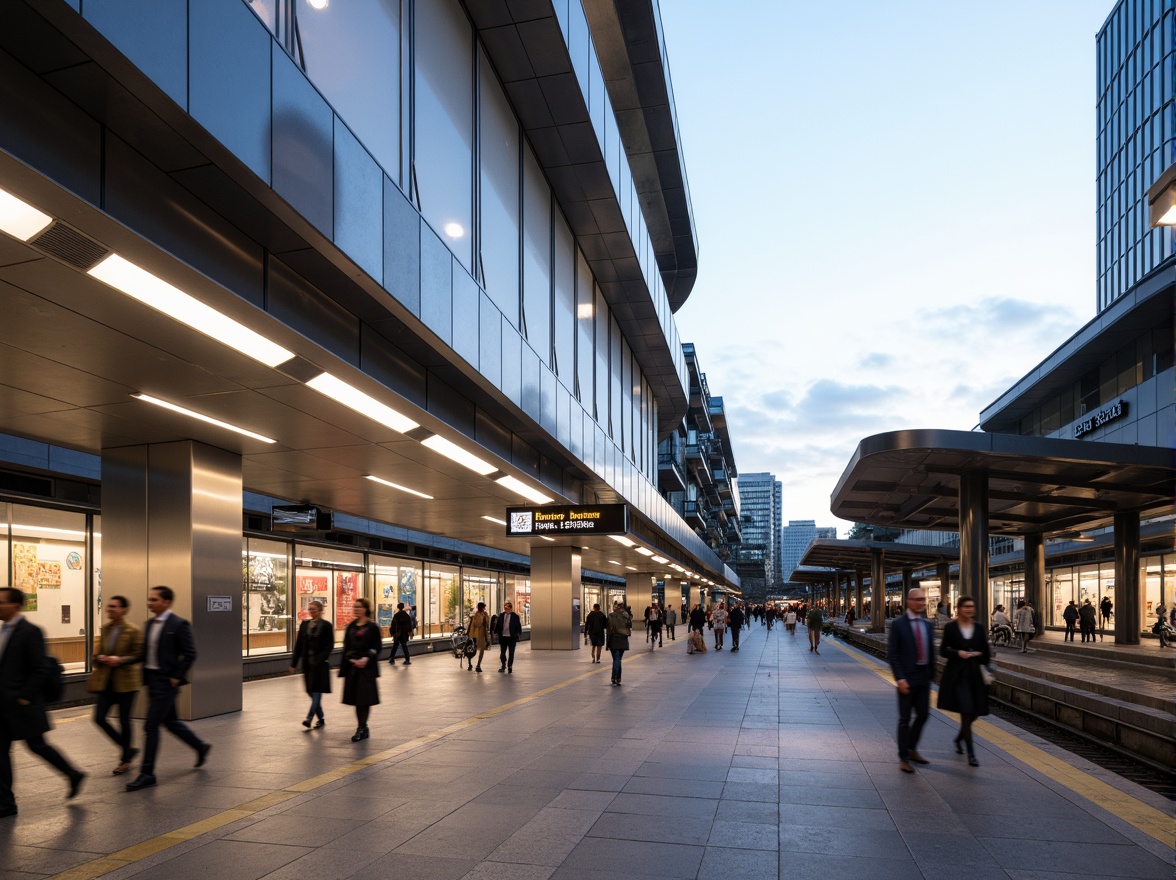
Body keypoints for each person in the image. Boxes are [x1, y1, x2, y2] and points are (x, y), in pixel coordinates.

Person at [0, 587, 85, 817]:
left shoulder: (30, 632)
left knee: (37, 746)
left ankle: (72, 774)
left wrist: (26, 695)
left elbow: (41, 668)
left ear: (15, 605)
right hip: (5, 705)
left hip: (24, 705)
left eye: (1, 602)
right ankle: (6, 802)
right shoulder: (4, 631)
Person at [125, 585, 210, 791]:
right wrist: (120, 660)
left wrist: (175, 677)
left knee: (150, 725)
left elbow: (190, 653)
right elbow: (143, 654)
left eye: (154, 599)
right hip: (152, 680)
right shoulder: (149, 624)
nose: (150, 603)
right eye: (150, 599)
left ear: (166, 602)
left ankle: (147, 773)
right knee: (170, 722)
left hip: (166, 682)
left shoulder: (178, 624)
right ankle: (200, 746)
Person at [88, 594, 143, 774]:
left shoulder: (132, 630)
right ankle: (128, 749)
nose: (109, 609)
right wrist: (99, 658)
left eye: (114, 607)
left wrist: (119, 660)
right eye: (109, 606)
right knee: (99, 718)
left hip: (126, 683)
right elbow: (97, 654)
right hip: (107, 682)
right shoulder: (105, 629)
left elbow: (138, 655)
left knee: (124, 721)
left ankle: (125, 760)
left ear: (124, 610)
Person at [936, 596, 990, 767]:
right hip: (957, 676)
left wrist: (978, 654)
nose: (969, 609)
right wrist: (958, 653)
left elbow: (987, 653)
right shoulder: (951, 627)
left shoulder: (979, 628)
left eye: (971, 606)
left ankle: (959, 738)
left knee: (974, 713)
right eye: (966, 606)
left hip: (975, 675)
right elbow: (943, 650)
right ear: (959, 609)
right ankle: (971, 754)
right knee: (966, 711)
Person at [887, 588, 934, 774]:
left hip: (923, 677)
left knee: (923, 714)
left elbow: (931, 651)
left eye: (923, 599)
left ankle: (912, 748)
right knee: (905, 719)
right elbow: (893, 655)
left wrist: (930, 674)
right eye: (917, 600)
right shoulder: (898, 624)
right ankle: (904, 758)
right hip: (906, 678)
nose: (921, 603)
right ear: (908, 601)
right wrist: (900, 678)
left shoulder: (927, 624)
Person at [340, 598, 381, 741]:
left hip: (367, 669)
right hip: (353, 668)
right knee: (357, 699)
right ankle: (362, 726)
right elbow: (346, 646)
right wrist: (351, 659)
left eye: (359, 607)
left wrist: (367, 658)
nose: (356, 609)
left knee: (365, 699)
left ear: (365, 609)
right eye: (355, 607)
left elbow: (377, 647)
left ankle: (362, 727)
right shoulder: (351, 626)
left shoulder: (372, 627)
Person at [289, 599, 333, 729]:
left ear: (320, 611)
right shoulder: (305, 625)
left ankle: (309, 718)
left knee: (316, 691)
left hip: (319, 664)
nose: (311, 612)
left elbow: (329, 646)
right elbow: (299, 645)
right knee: (310, 691)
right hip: (307, 664)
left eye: (314, 609)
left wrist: (321, 658)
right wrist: (294, 663)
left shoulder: (326, 625)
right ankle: (321, 717)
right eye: (310, 609)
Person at [606, 601, 631, 686]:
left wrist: (607, 643)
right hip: (623, 639)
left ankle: (615, 677)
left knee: (616, 659)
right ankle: (617, 678)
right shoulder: (626, 615)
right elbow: (629, 626)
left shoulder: (611, 616)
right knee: (618, 659)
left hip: (614, 639)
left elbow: (609, 629)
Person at [496, 601, 522, 673]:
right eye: (505, 608)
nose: (506, 609)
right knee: (502, 653)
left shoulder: (515, 616)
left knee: (511, 653)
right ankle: (503, 665)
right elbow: (498, 625)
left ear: (511, 608)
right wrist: (497, 633)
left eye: (508, 608)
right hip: (503, 637)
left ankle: (510, 666)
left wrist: (518, 634)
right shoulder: (501, 615)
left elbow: (518, 626)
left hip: (511, 637)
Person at [465, 602, 489, 672]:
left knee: (481, 650)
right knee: (473, 650)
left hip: (483, 635)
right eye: (484, 607)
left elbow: (487, 624)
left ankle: (478, 665)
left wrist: (486, 617)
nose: (484, 608)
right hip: (477, 635)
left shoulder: (484, 614)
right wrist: (483, 619)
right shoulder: (477, 614)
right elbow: (477, 624)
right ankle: (470, 663)